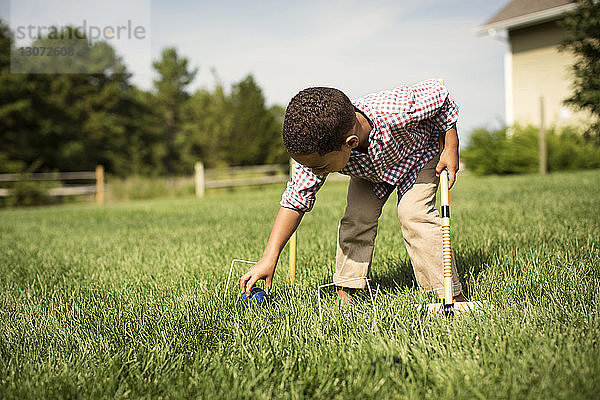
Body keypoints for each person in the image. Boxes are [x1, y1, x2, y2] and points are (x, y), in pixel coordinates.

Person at [239, 79, 466, 304]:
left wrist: (450, 146)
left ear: (351, 142)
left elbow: (440, 96)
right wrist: (269, 257)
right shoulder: (317, 150)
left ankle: (448, 294)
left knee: (413, 215)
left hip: (419, 158)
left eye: (321, 168)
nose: (315, 173)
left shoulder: (395, 109)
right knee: (356, 219)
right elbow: (295, 200)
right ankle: (346, 293)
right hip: (370, 172)